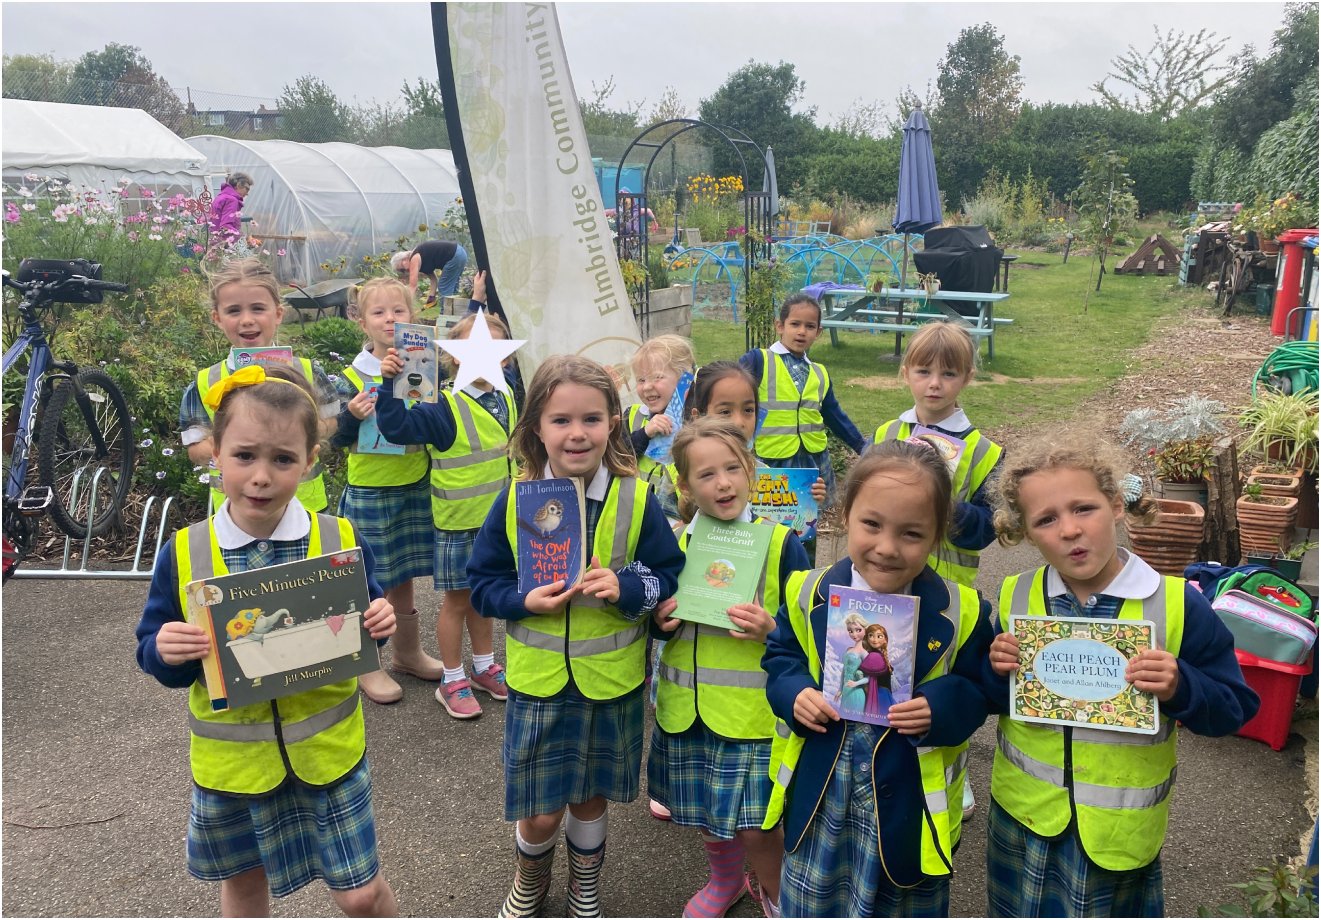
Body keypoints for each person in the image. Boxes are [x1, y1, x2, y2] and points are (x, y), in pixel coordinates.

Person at [135, 363, 399, 917]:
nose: (261, 476)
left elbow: (368, 611)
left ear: (309, 463)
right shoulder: (185, 553)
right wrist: (165, 650)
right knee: (246, 888)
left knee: (361, 894)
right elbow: (153, 647)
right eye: (244, 455)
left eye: (282, 459)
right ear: (215, 453)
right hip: (235, 767)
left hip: (327, 757)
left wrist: (379, 620)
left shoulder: (338, 539)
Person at [984, 429, 1259, 918]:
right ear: (1025, 531)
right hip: (1023, 821)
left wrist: (1181, 685)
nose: (1069, 530)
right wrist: (996, 668)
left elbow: (1235, 709)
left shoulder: (1177, 606)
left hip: (1116, 837)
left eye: (1083, 508)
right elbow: (993, 696)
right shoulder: (1014, 598)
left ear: (1115, 504)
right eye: (1046, 519)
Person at [466, 355, 684, 918]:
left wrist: (629, 586)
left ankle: (585, 887)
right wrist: (520, 600)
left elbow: (668, 576)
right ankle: (529, 882)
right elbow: (482, 582)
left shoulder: (636, 499)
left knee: (589, 799)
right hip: (539, 682)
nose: (577, 433)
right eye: (560, 420)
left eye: (591, 418)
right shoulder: (516, 499)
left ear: (614, 420)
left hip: (609, 683)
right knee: (539, 809)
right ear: (536, 426)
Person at [762, 440, 993, 917]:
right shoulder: (808, 591)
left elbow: (981, 689)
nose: (887, 548)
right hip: (822, 796)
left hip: (908, 808)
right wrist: (794, 694)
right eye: (871, 525)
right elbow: (781, 656)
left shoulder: (962, 610)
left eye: (911, 533)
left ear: (936, 536)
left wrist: (940, 705)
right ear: (845, 515)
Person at [648, 417, 810, 919]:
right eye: (706, 475)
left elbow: (811, 630)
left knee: (759, 826)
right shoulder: (673, 544)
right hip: (688, 708)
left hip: (753, 713)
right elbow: (651, 619)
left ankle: (782, 899)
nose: (723, 483)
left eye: (733, 469)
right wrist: (660, 621)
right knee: (707, 813)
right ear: (684, 486)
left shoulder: (782, 543)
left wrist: (772, 628)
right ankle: (726, 882)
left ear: (751, 471)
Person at [869, 320, 1003, 820]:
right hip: (885, 580)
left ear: (967, 378)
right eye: (923, 371)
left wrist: (950, 507)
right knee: (882, 671)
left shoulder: (986, 451)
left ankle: (954, 776)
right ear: (906, 372)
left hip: (948, 593)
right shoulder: (886, 434)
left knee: (944, 688)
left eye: (948, 374)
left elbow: (988, 529)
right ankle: (882, 760)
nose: (934, 384)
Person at [375, 310, 519, 720]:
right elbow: (398, 428)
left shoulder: (506, 393)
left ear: (505, 359)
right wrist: (389, 386)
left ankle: (483, 666)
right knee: (457, 602)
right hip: (458, 522)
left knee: (484, 601)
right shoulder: (444, 407)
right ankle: (451, 678)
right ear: (454, 358)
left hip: (495, 522)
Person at [329, 278, 444, 704]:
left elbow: (433, 423)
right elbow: (333, 440)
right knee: (365, 580)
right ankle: (367, 664)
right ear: (361, 321)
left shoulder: (423, 361)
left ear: (412, 316)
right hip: (369, 490)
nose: (390, 319)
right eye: (379, 312)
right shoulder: (348, 376)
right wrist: (351, 417)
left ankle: (408, 653)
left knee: (404, 574)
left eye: (398, 310)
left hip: (414, 483)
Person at [179, 258, 339, 514]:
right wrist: (237, 445)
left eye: (257, 308)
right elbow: (195, 448)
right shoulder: (206, 382)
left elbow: (332, 421)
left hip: (306, 509)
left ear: (277, 314)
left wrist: (298, 435)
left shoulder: (306, 371)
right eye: (233, 311)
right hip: (237, 514)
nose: (247, 320)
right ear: (217, 318)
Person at [739, 293, 865, 558]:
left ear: (818, 332)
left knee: (805, 528)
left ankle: (800, 578)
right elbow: (731, 393)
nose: (801, 332)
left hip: (811, 462)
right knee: (766, 527)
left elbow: (833, 414)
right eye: (795, 324)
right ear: (779, 325)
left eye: (809, 326)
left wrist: (862, 446)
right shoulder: (758, 360)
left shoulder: (819, 372)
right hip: (772, 462)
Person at [626, 334, 697, 522]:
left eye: (657, 378)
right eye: (641, 380)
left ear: (684, 377)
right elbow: (616, 455)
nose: (647, 387)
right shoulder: (634, 415)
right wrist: (645, 433)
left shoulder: (698, 418)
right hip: (640, 515)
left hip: (685, 517)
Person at [391, 240, 468, 305]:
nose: (405, 272)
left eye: (402, 269)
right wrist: (431, 297)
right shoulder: (421, 259)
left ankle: (445, 316)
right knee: (453, 289)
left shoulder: (414, 258)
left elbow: (412, 286)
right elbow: (433, 279)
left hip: (454, 255)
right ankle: (455, 315)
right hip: (460, 253)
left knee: (444, 289)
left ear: (404, 259)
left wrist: (407, 306)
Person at [835, 613, 868, 714]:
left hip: (856, 692)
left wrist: (856, 683)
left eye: (858, 630)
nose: (854, 634)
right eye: (850, 631)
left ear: (865, 630)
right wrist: (840, 689)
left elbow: (870, 677)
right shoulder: (849, 650)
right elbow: (844, 671)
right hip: (846, 690)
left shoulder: (864, 653)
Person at [859, 624, 894, 718]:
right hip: (879, 694)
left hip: (882, 694)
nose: (875, 640)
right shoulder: (874, 655)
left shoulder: (878, 655)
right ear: (867, 638)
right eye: (871, 635)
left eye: (879, 636)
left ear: (885, 639)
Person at [209, 172, 252, 244]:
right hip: (224, 243)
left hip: (215, 240)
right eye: (247, 189)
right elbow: (226, 225)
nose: (247, 193)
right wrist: (242, 237)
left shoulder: (221, 196)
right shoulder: (232, 200)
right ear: (238, 185)